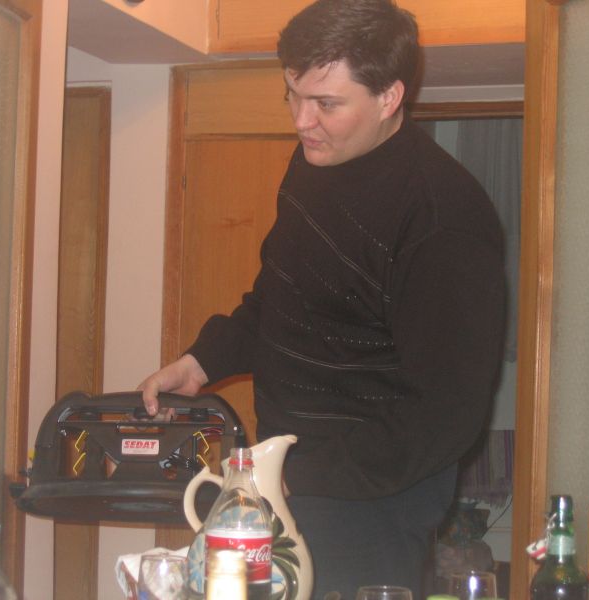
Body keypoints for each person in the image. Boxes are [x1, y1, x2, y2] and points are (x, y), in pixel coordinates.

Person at [139, 0, 507, 597]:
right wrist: (205, 360)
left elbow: (446, 413)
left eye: (326, 104)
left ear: (389, 97)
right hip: (287, 477)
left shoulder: (443, 217)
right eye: (292, 95)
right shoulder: (316, 160)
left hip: (373, 505)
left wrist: (299, 475)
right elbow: (282, 292)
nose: (302, 121)